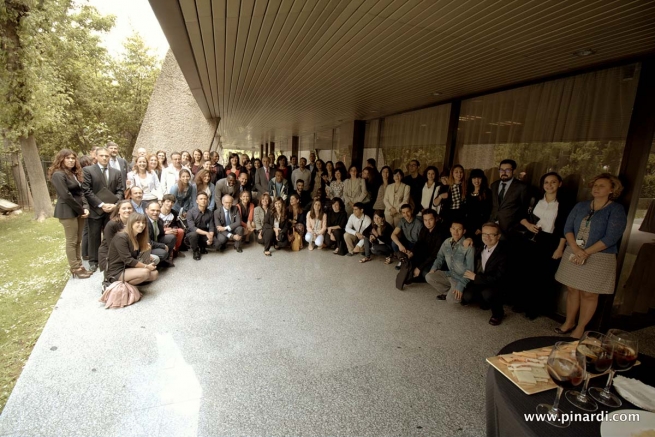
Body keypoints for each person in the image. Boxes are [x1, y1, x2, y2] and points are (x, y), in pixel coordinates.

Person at [554, 173, 627, 339]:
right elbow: (567, 228)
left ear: (612, 189)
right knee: (572, 289)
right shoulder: (581, 206)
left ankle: (581, 327)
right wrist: (575, 249)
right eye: (595, 185)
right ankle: (569, 322)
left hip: (599, 256)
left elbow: (611, 237)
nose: (596, 188)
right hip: (574, 251)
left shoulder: (616, 209)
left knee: (589, 293)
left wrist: (586, 252)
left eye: (602, 186)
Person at [515, 172, 573, 320]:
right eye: (546, 182)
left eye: (553, 182)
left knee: (541, 275)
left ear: (560, 184)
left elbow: (565, 227)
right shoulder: (535, 199)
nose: (549, 185)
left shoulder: (564, 204)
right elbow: (520, 215)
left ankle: (534, 308)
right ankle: (521, 302)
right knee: (524, 271)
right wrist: (528, 225)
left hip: (549, 241)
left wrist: (560, 248)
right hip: (530, 236)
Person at [49, 149, 91, 279]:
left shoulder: (73, 173)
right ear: (61, 159)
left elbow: (81, 192)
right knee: (72, 241)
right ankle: (75, 267)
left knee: (78, 240)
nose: (71, 160)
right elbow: (66, 196)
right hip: (67, 211)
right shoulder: (58, 175)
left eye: (73, 158)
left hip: (78, 210)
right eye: (68, 158)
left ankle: (79, 264)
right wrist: (81, 210)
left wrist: (85, 207)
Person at [82, 147, 124, 272]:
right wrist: (101, 204)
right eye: (102, 155)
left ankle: (111, 258)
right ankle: (94, 261)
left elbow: (120, 190)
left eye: (107, 156)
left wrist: (114, 204)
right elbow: (87, 190)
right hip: (96, 209)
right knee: (94, 235)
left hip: (111, 210)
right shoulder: (88, 170)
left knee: (111, 234)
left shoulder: (116, 172)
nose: (105, 158)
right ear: (96, 156)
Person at [462, 222, 509, 326]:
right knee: (467, 296)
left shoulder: (504, 253)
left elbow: (499, 277)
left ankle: (498, 314)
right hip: (480, 279)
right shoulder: (481, 243)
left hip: (496, 283)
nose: (487, 237)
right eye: (484, 234)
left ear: (498, 236)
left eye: (491, 234)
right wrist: (469, 238)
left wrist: (475, 277)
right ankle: (484, 302)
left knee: (488, 294)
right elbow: (472, 238)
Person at [426, 220, 475, 304]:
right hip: (450, 274)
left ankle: (457, 292)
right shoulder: (446, 242)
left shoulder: (469, 246)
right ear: (450, 229)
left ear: (464, 231)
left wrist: (460, 286)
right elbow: (440, 257)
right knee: (429, 276)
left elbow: (470, 270)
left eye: (459, 229)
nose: (456, 232)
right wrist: (434, 268)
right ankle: (448, 292)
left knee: (451, 300)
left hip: (461, 278)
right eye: (453, 228)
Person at [104, 212, 158, 287]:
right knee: (145, 272)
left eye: (143, 223)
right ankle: (120, 286)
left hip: (129, 267)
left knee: (155, 274)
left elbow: (137, 257)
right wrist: (146, 266)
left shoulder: (137, 236)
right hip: (116, 270)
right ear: (131, 223)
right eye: (138, 222)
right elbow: (128, 260)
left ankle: (129, 283)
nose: (141, 225)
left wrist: (146, 251)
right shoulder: (121, 237)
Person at [489, 159, 531, 235]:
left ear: (514, 171)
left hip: (510, 228)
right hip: (493, 225)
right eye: (501, 170)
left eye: (507, 170)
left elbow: (523, 209)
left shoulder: (522, 187)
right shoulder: (494, 185)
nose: (504, 173)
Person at [405, 209, 444, 282]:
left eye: (430, 220)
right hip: (425, 256)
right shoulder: (424, 229)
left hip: (435, 259)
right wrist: (412, 252)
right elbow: (419, 243)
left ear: (436, 219)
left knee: (424, 273)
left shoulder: (440, 233)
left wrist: (420, 267)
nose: (428, 223)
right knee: (409, 262)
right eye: (425, 220)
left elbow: (435, 255)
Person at [98, 200, 133, 272]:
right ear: (118, 211)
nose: (127, 210)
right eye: (124, 208)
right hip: (110, 255)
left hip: (126, 253)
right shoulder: (112, 224)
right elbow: (110, 245)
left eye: (129, 208)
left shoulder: (133, 223)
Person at [388, 203, 424, 268]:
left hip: (416, 245)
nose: (406, 215)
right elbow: (393, 235)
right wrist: (400, 245)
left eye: (408, 212)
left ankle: (407, 258)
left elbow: (421, 241)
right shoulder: (402, 220)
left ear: (412, 211)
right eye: (403, 213)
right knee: (394, 243)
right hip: (408, 242)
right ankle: (401, 259)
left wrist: (412, 251)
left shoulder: (418, 223)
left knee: (414, 262)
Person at [464, 169, 492, 244]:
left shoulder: (487, 193)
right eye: (474, 178)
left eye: (479, 178)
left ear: (482, 179)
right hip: (468, 226)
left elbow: (488, 212)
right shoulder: (468, 192)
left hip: (480, 227)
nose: (476, 180)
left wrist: (481, 227)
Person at [145, 200, 176, 266]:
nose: (155, 213)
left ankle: (165, 259)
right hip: (146, 247)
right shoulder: (143, 222)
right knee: (163, 253)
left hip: (156, 240)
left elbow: (161, 235)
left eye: (158, 210)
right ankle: (158, 262)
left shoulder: (159, 220)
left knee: (172, 237)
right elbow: (147, 242)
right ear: (146, 210)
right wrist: (163, 246)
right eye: (153, 210)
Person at [186, 192, 215, 260]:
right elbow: (192, 228)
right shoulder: (190, 212)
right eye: (201, 199)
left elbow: (211, 226)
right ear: (197, 201)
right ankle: (195, 251)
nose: (203, 201)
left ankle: (202, 246)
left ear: (207, 200)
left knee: (217, 244)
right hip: (192, 234)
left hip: (203, 233)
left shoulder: (210, 213)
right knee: (194, 234)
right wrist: (206, 233)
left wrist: (210, 237)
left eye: (205, 199)